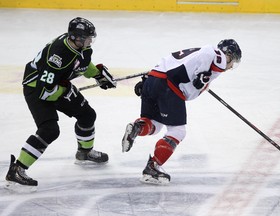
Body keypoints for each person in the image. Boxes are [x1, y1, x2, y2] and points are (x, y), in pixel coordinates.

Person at [5, 17, 117, 190]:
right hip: (37, 89)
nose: (90, 41)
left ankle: (84, 152)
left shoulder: (81, 47)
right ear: (76, 38)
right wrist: (65, 92)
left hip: (58, 85)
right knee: (49, 130)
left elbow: (81, 64)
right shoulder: (57, 55)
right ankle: (17, 170)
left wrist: (98, 75)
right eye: (87, 38)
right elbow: (45, 90)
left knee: (87, 115)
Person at [122, 39, 242, 185]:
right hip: (169, 87)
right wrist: (201, 74)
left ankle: (137, 128)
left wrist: (149, 80)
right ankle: (152, 168)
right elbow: (208, 51)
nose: (230, 67)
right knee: (177, 131)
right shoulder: (218, 56)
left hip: (153, 79)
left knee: (155, 124)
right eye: (233, 61)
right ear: (228, 54)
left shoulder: (194, 54)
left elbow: (168, 63)